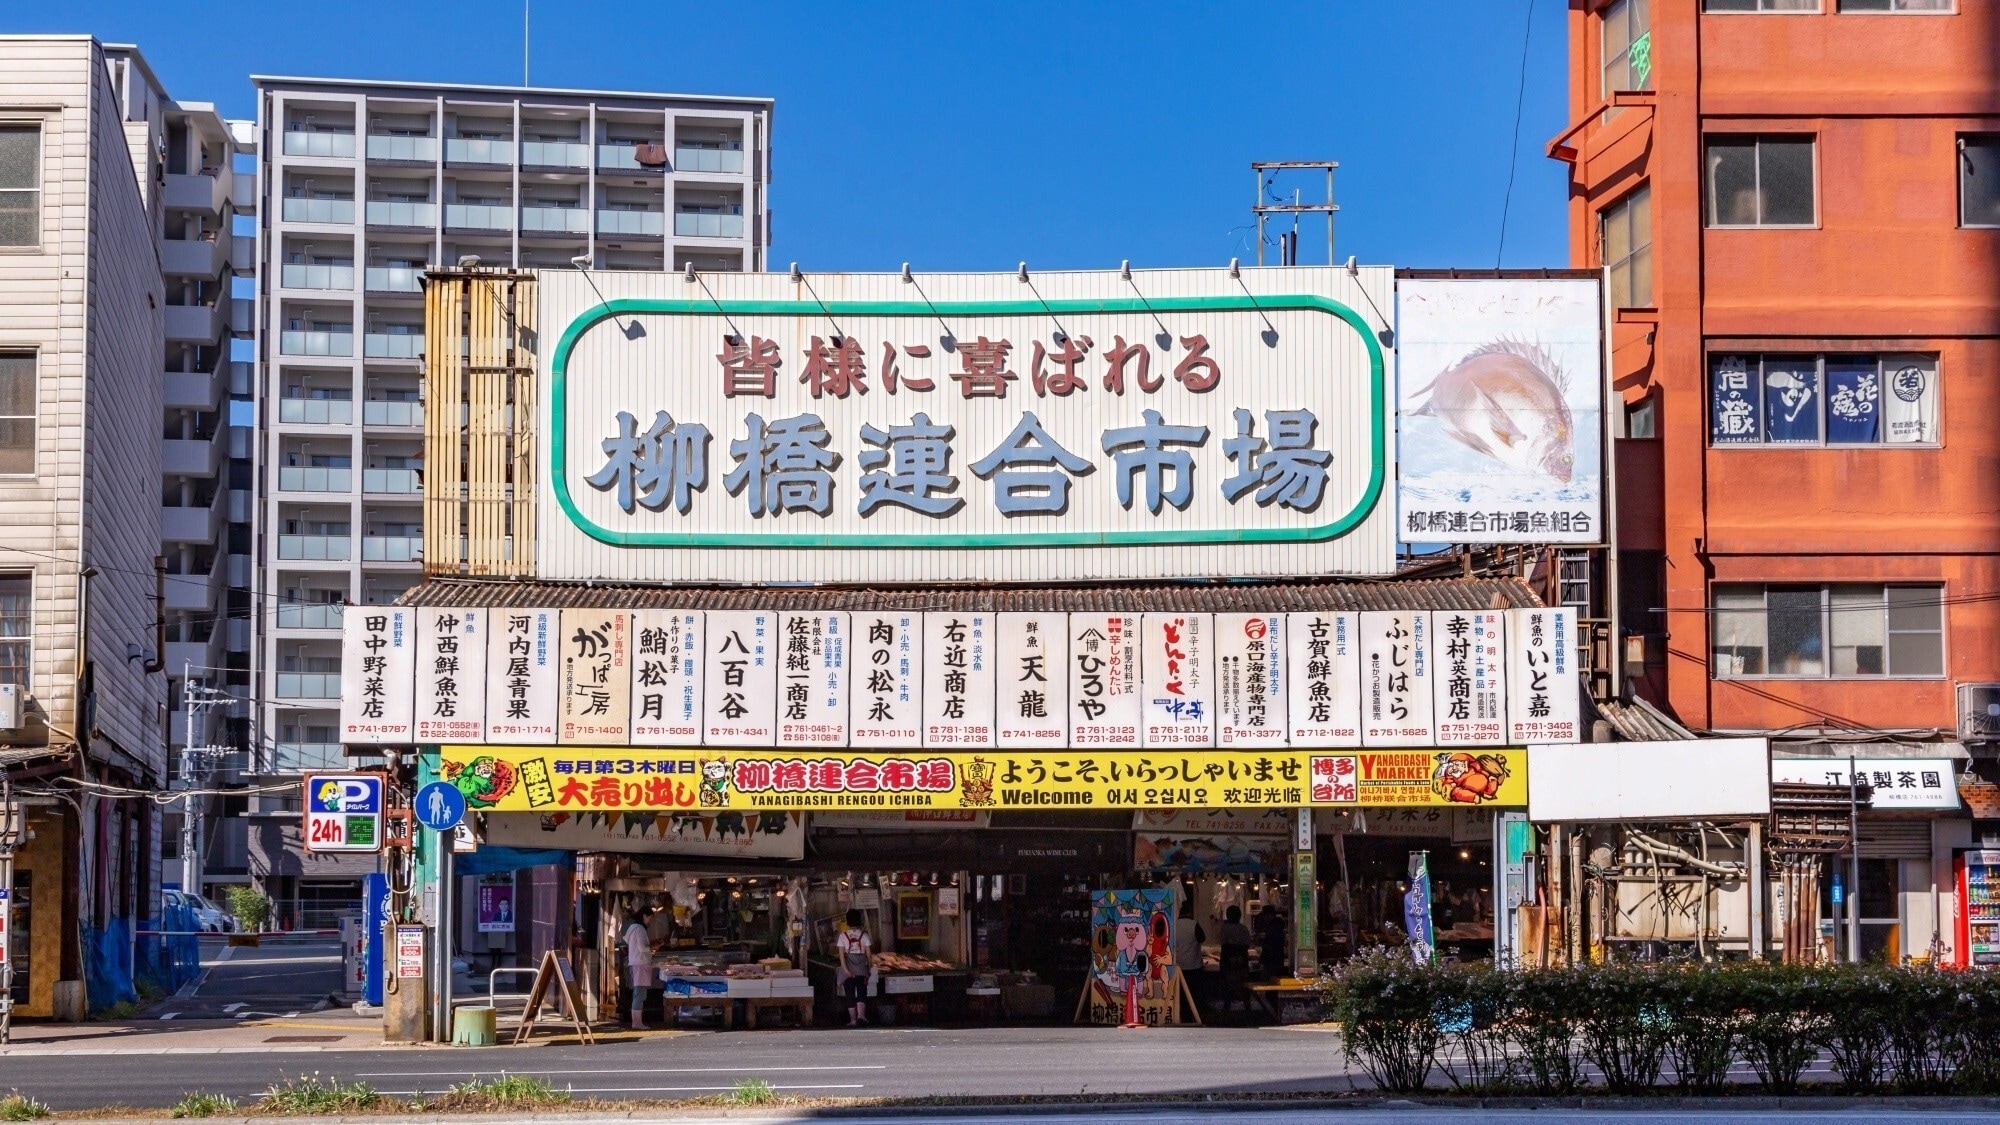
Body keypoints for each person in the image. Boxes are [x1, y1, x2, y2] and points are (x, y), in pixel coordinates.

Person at [833, 909, 873, 1027]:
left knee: (849, 993)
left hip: (848, 967)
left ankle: (853, 1020)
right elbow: (869, 955)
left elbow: (841, 955)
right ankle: (862, 1016)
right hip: (861, 968)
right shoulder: (864, 935)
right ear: (859, 921)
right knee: (861, 991)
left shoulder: (843, 936)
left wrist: (845, 970)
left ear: (848, 921)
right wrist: (869, 969)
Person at [623, 903, 655, 1031]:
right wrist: (652, 948)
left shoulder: (631, 928)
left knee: (638, 993)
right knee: (640, 994)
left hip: (636, 963)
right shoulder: (640, 929)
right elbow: (642, 948)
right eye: (649, 917)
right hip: (641, 964)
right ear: (644, 916)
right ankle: (637, 1022)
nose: (650, 920)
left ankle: (637, 1021)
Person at [1217, 905, 1252, 982]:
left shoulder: (1224, 928)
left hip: (1227, 957)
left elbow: (1222, 941)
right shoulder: (1243, 928)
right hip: (1241, 957)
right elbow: (1248, 943)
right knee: (1241, 982)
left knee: (1228, 983)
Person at [1172, 896, 1205, 973]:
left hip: (1177, 964)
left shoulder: (1173, 925)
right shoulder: (1194, 925)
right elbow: (1202, 939)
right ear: (1190, 913)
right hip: (1193, 965)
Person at [1256, 904, 1288, 980]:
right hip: (1277, 958)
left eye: (1264, 915)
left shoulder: (1273, 927)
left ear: (1269, 915)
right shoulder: (1277, 925)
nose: (1263, 918)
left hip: (1271, 959)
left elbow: (1269, 945)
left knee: (1270, 979)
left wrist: (1263, 959)